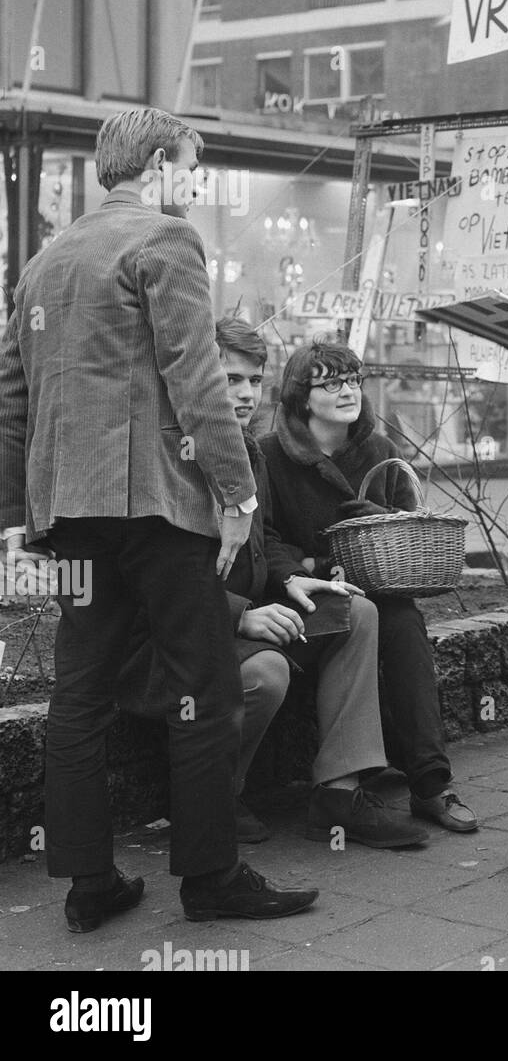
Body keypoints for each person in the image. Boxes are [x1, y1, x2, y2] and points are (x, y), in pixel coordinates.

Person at [0, 107, 316, 930]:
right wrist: (238, 494)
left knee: (78, 698)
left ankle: (87, 885)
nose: (195, 181)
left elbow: (9, 402)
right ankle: (211, 880)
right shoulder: (166, 240)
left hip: (69, 514)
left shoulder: (42, 262)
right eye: (191, 166)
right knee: (205, 692)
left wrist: (12, 519)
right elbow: (197, 374)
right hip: (159, 508)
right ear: (158, 164)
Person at [116, 318, 427, 850]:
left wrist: (294, 580)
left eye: (254, 380)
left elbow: (263, 545)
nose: (244, 393)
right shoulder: (167, 453)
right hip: (175, 638)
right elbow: (157, 576)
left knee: (358, 612)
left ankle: (339, 792)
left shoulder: (247, 450)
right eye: (229, 378)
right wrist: (241, 613)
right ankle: (210, 794)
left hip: (243, 618)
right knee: (267, 670)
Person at [260, 340, 478, 834]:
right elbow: (264, 538)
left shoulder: (380, 451)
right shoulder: (271, 455)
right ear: (300, 396)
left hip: (375, 588)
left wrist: (382, 519)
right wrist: (304, 568)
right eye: (330, 382)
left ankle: (429, 783)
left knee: (404, 625)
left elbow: (409, 525)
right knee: (371, 618)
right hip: (299, 596)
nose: (347, 391)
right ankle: (357, 785)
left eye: (354, 380)